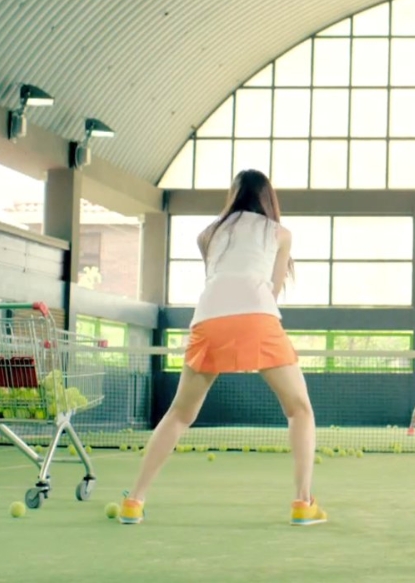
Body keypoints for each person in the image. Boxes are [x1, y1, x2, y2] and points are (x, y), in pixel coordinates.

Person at [119, 169, 326, 527]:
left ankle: (133, 501)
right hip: (258, 317)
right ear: (268, 198)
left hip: (208, 319)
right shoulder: (280, 234)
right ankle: (303, 503)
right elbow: (273, 290)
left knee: (179, 414)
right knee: (299, 410)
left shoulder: (207, 234)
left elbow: (216, 279)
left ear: (233, 195)